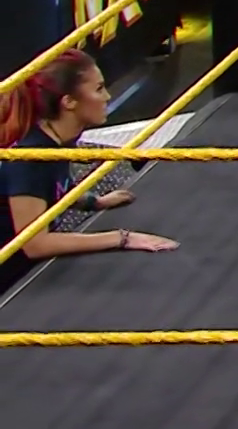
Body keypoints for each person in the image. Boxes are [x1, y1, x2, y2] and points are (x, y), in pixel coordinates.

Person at [1, 50, 179, 290]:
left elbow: (52, 188)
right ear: (68, 102)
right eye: (99, 89)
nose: (107, 97)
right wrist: (121, 238)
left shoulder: (57, 137)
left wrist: (94, 202)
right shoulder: (30, 160)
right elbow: (34, 244)